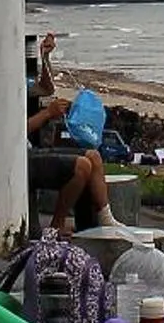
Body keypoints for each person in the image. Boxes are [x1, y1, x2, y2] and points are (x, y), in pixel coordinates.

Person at [27, 32, 112, 233]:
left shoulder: (13, 81)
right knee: (81, 166)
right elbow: (12, 134)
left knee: (94, 156)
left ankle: (106, 219)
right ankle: (56, 226)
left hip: (29, 148)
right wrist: (48, 113)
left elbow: (45, 88)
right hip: (17, 156)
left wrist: (45, 56)